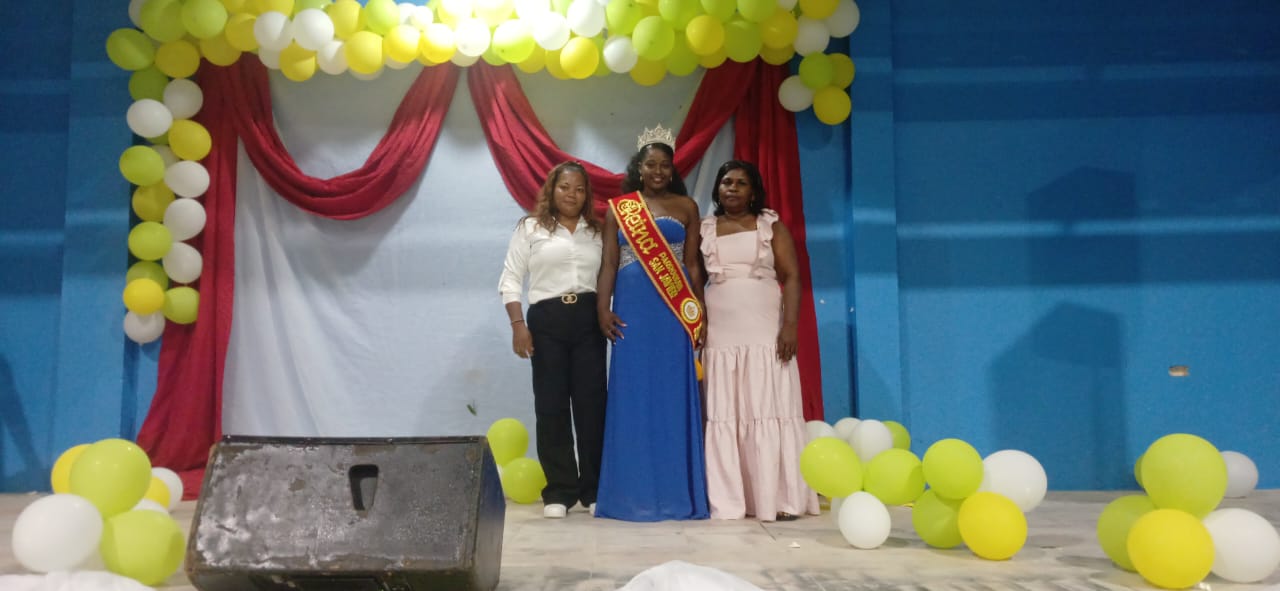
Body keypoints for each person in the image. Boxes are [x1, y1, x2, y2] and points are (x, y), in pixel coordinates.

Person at [593, 135, 709, 521]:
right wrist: (602, 309)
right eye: (651, 164)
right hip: (632, 311)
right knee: (633, 394)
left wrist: (700, 310)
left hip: (673, 314)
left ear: (672, 170)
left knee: (672, 395)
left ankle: (676, 492)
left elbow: (692, 265)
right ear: (638, 169)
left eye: (664, 165)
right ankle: (631, 493)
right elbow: (609, 264)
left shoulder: (687, 207)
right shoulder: (620, 209)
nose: (658, 171)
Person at [699, 160, 818, 522]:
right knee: (728, 413)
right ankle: (732, 500)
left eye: (741, 183)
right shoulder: (705, 228)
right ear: (717, 189)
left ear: (753, 191)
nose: (732, 188)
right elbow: (692, 278)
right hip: (721, 334)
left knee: (767, 406)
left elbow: (792, 276)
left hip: (765, 331)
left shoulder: (770, 226)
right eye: (726, 182)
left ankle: (779, 498)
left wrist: (790, 326)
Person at [498, 161, 607, 519]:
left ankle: (594, 489)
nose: (572, 195)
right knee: (551, 405)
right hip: (546, 320)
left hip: (589, 319)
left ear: (587, 195)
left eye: (579, 189)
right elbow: (511, 278)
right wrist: (518, 325)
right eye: (565, 187)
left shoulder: (598, 230)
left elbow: (610, 275)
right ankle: (560, 490)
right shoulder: (530, 228)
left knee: (592, 405)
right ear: (551, 190)